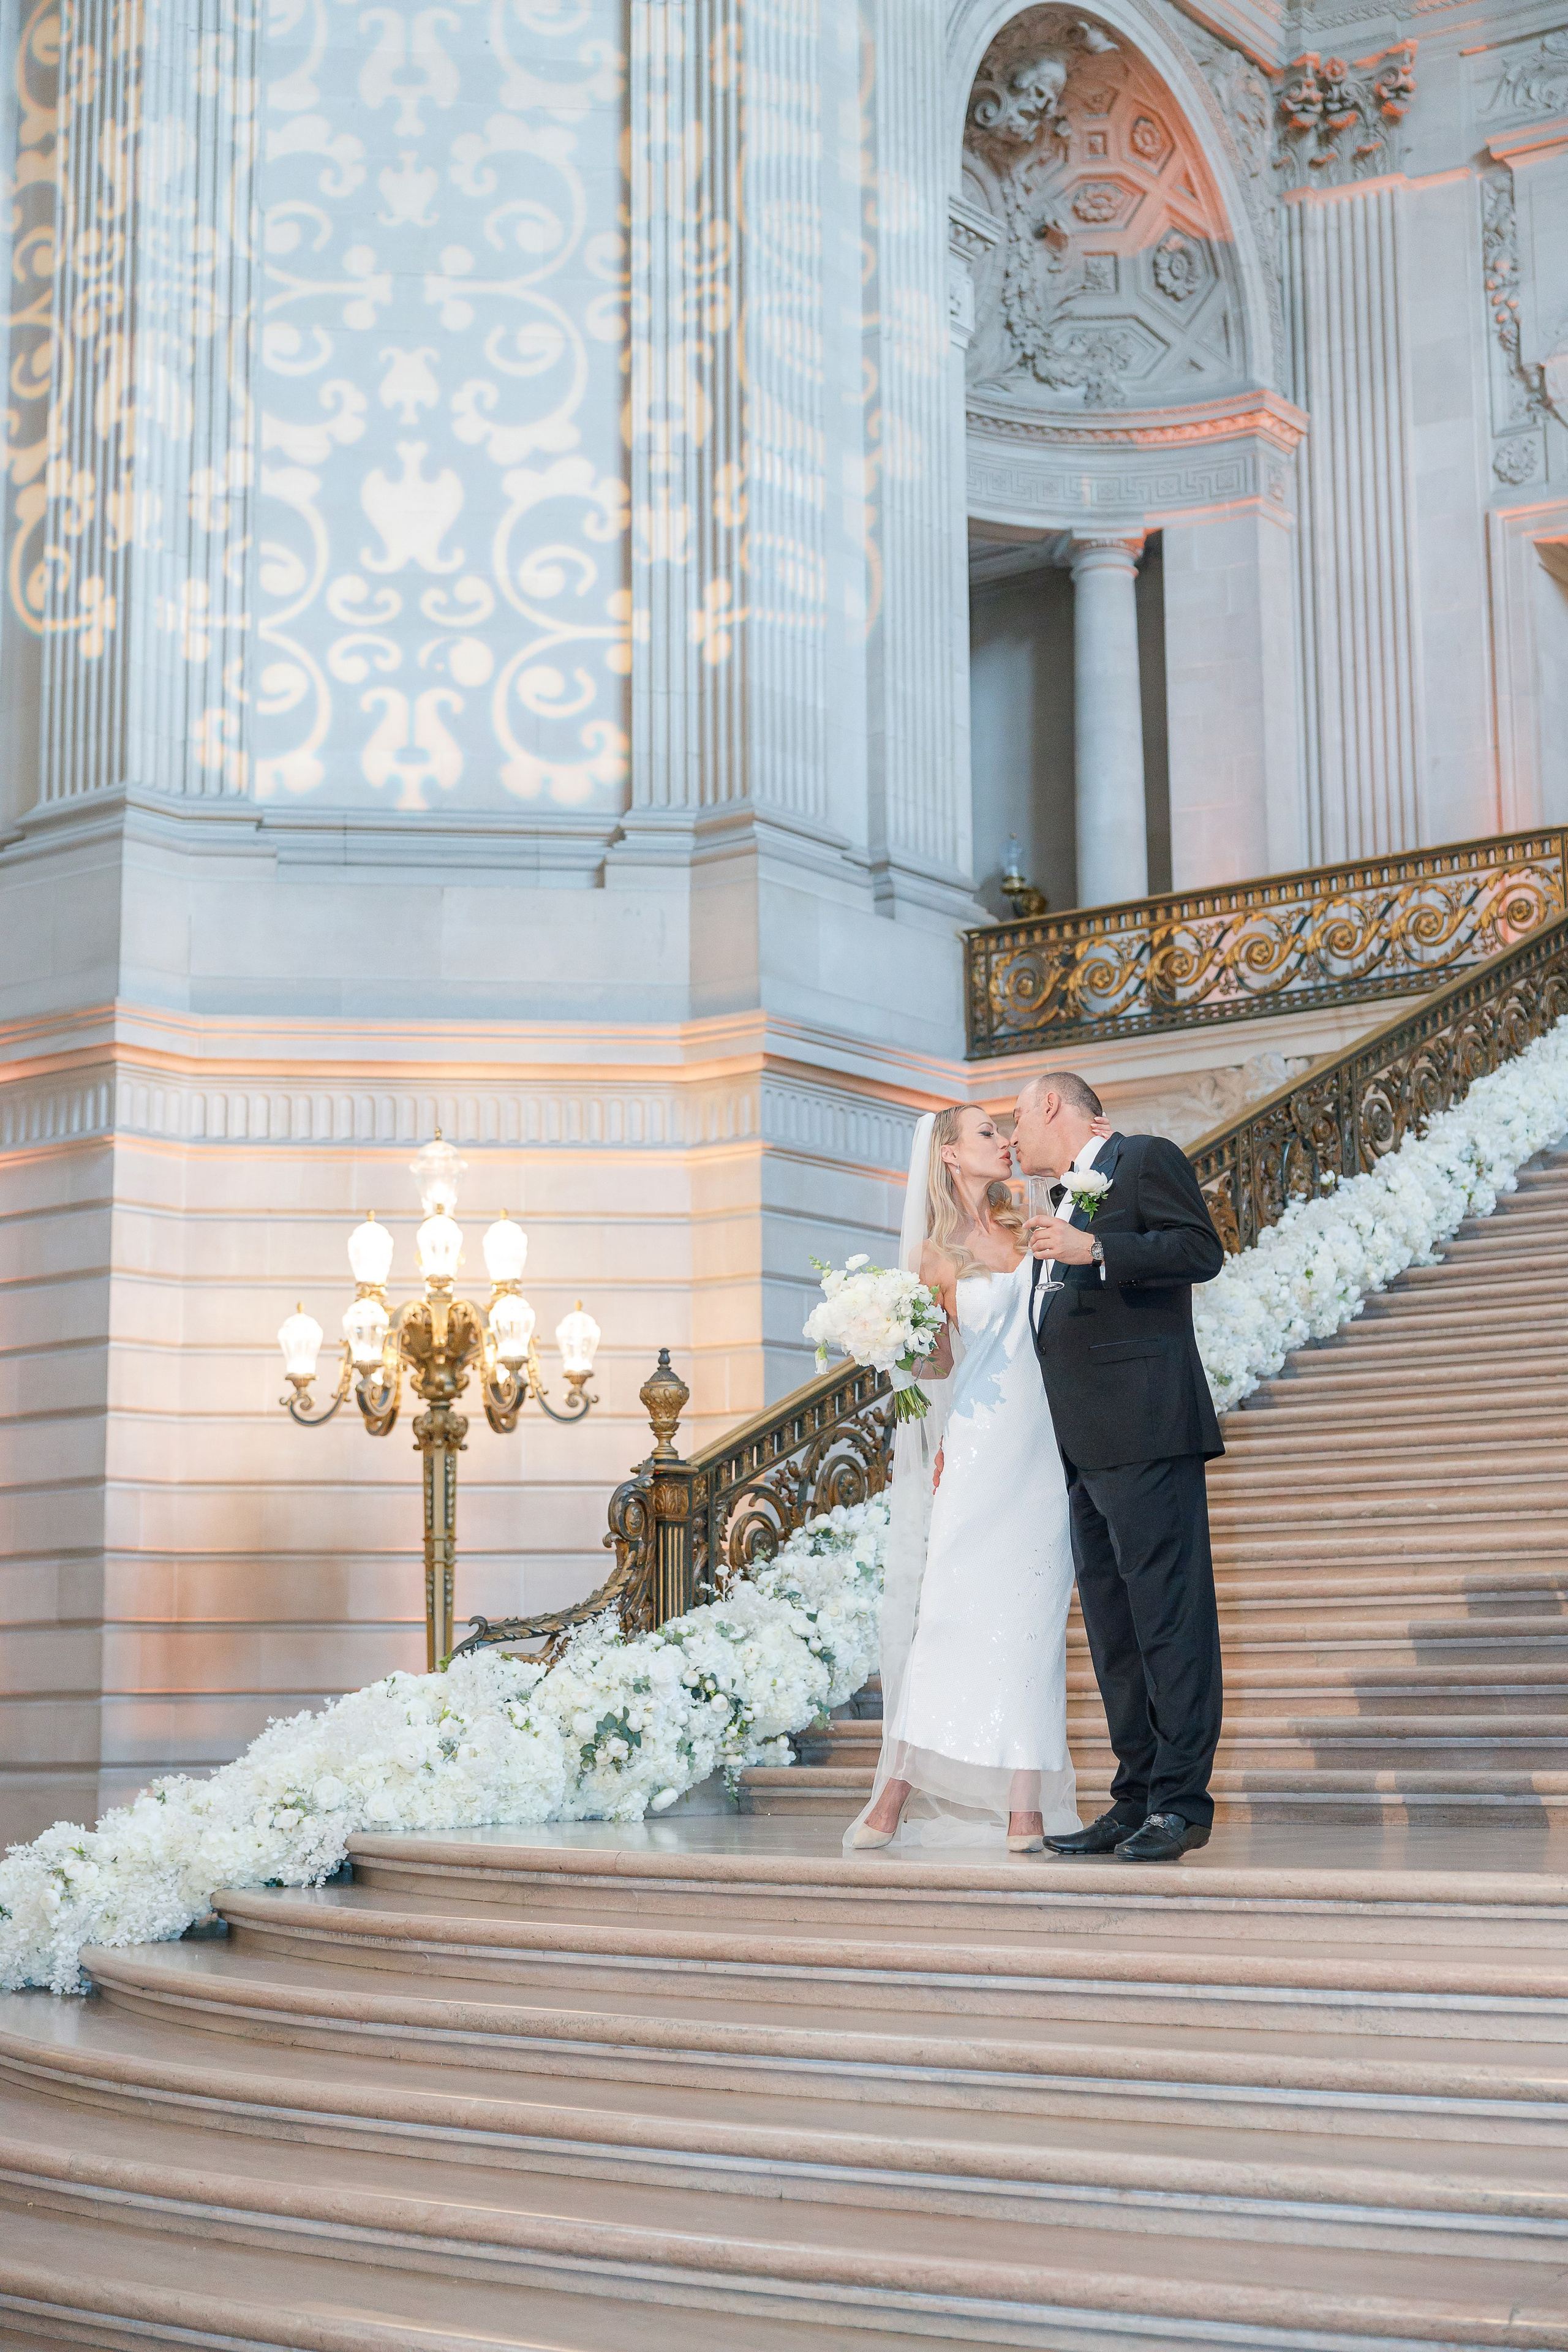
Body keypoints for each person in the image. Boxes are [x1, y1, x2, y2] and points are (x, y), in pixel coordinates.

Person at [846, 1102, 1107, 1853]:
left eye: (1007, 1131)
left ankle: (1027, 1807)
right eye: (989, 1134)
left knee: (1033, 1623)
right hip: (979, 1439)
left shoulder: (1034, 1220)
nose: (1007, 1142)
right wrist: (889, 1333)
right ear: (952, 1156)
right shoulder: (933, 1255)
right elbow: (936, 1369)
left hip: (1048, 1436)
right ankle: (892, 1795)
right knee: (949, 1617)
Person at [1012, 1070, 1226, 1863]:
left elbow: (1200, 1251)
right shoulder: (1062, 1196)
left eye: (1017, 1118)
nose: (1013, 1138)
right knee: (1113, 1632)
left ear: (1051, 1106)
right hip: (1079, 1443)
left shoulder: (1144, 1158)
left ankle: (1179, 1802)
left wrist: (1096, 1246)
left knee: (1168, 1620)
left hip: (1145, 1428)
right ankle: (1133, 1795)